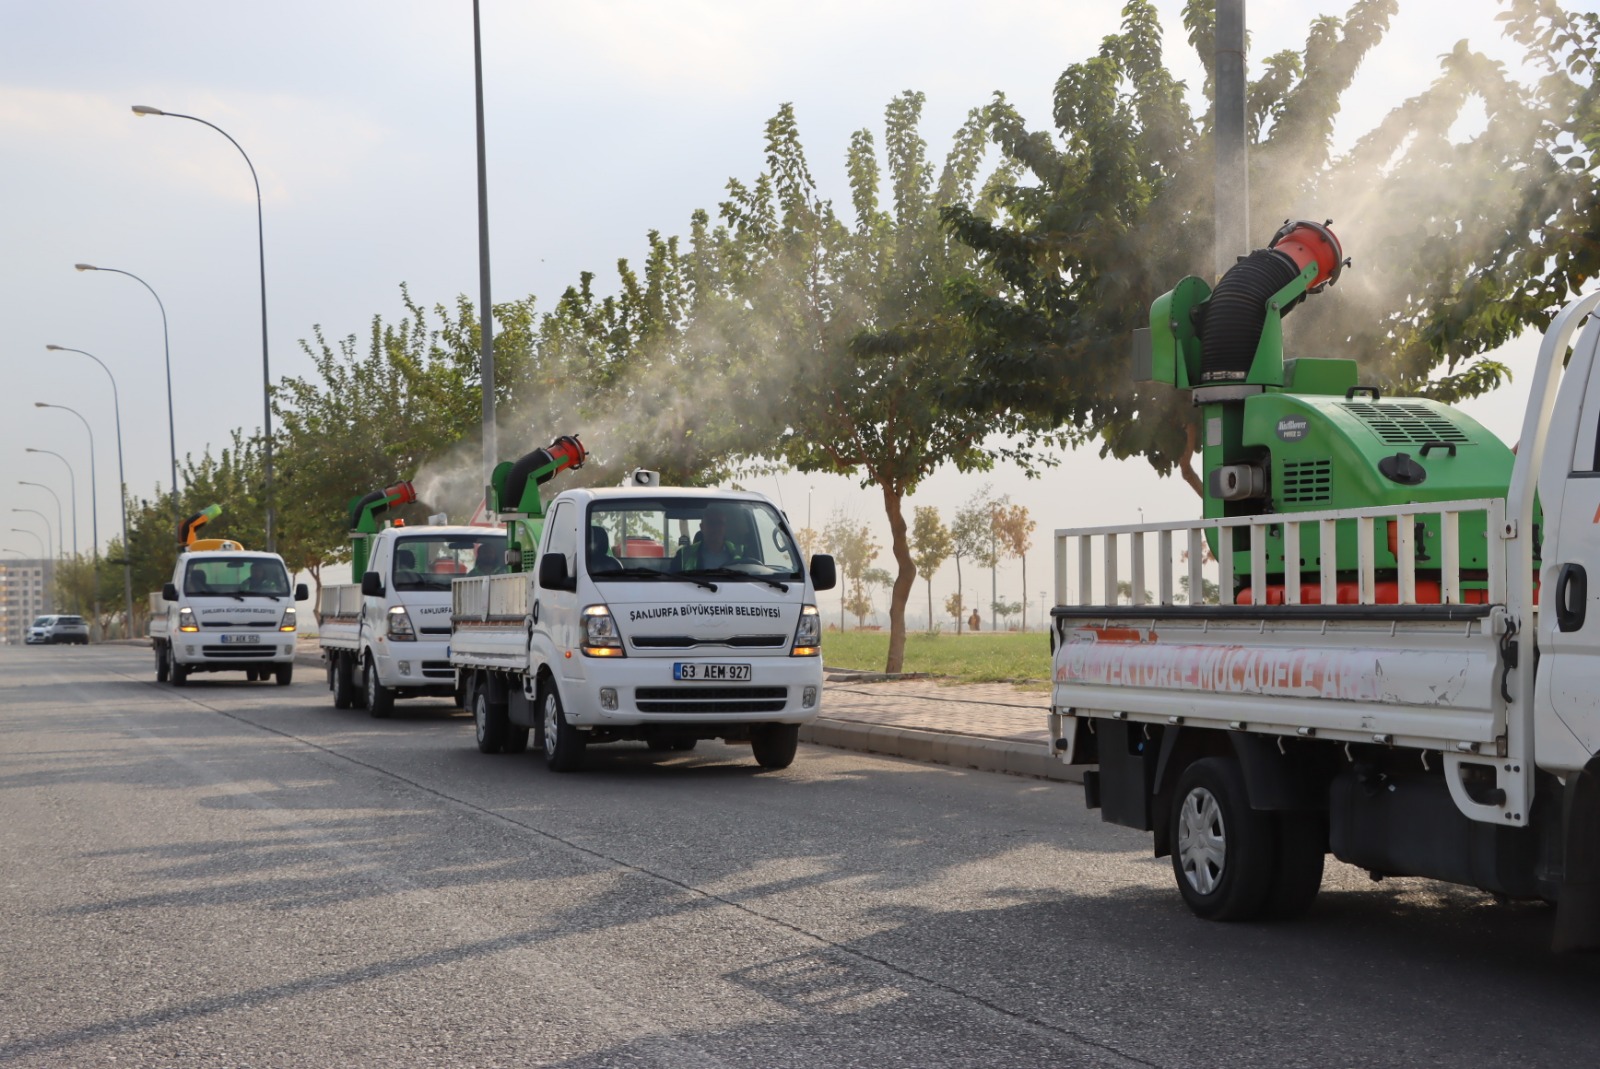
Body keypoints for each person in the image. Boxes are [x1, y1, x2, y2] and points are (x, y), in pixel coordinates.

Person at [676, 505, 742, 571]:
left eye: (720, 523)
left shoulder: (741, 553)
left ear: (725, 527)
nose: (716, 528)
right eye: (711, 523)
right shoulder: (683, 555)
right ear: (702, 527)